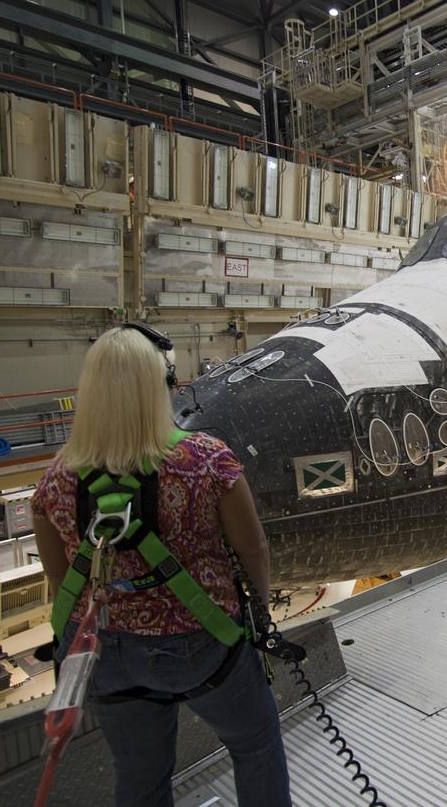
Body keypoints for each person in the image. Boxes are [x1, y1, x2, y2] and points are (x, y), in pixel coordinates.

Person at [31, 325, 290, 807]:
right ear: (160, 384)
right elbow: (253, 547)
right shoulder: (206, 460)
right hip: (198, 642)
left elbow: (59, 579)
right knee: (254, 745)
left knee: (140, 777)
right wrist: (259, 606)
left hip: (99, 652)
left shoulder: (56, 477)